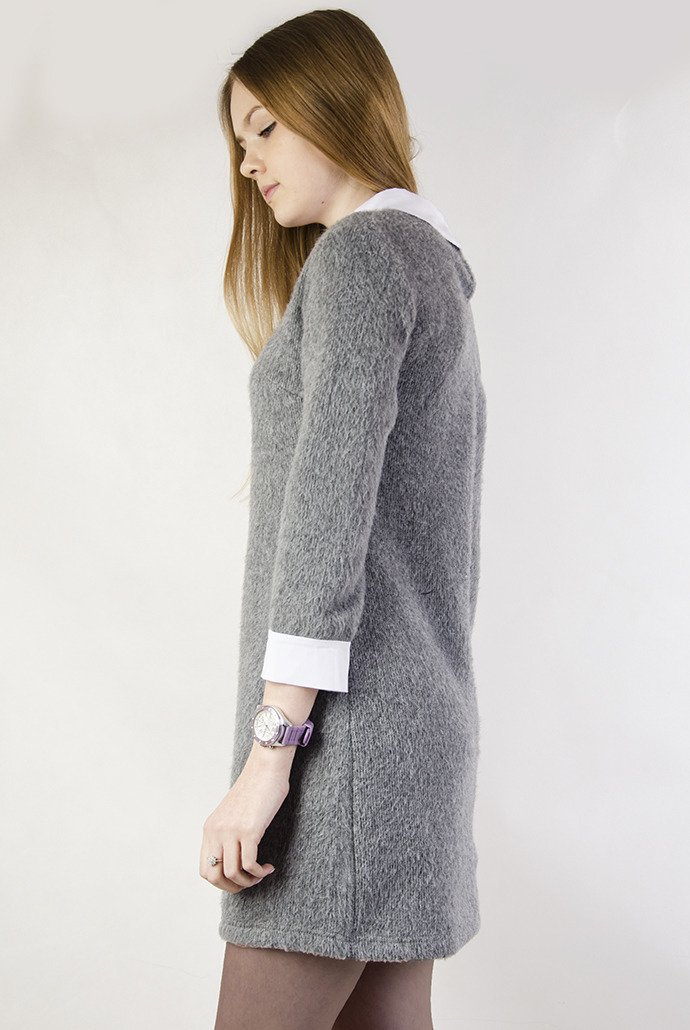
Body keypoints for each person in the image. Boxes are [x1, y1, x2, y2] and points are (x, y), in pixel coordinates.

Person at [200, 10, 487, 1030]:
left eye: (267, 127)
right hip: (414, 740)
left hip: (341, 755)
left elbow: (329, 529)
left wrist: (267, 758)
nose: (248, 162)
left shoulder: (365, 258)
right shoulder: (428, 261)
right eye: (239, 140)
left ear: (336, 107)